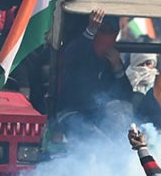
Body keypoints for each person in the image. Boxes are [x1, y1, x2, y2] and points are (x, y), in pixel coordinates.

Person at [55, 8, 131, 137]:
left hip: (99, 115)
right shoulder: (78, 51)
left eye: (111, 31)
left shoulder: (111, 60)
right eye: (103, 30)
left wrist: (117, 68)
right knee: (97, 140)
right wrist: (91, 30)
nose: (107, 36)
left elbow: (125, 95)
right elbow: (75, 52)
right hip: (71, 113)